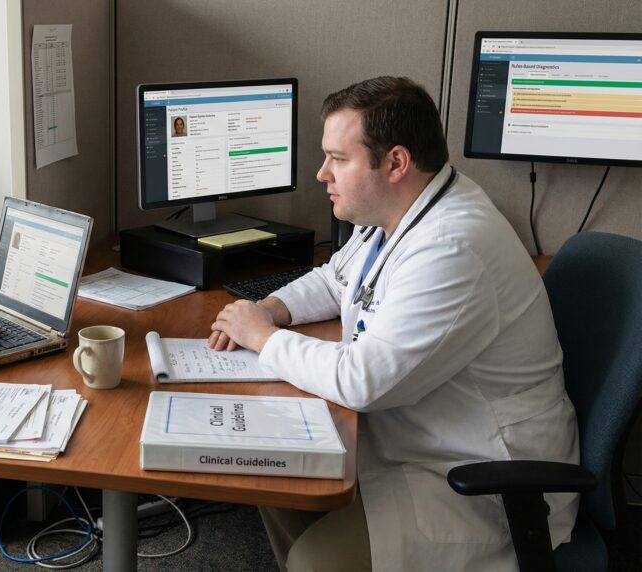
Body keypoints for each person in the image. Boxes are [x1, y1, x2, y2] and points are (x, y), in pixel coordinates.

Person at [208, 77, 579, 571]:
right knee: (272, 472)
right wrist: (272, 308)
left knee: (315, 560)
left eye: (338, 159)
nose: (322, 174)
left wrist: (264, 336)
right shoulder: (402, 210)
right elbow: (334, 280)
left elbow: (363, 382)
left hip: (480, 475)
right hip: (413, 433)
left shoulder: (453, 247)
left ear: (396, 162)